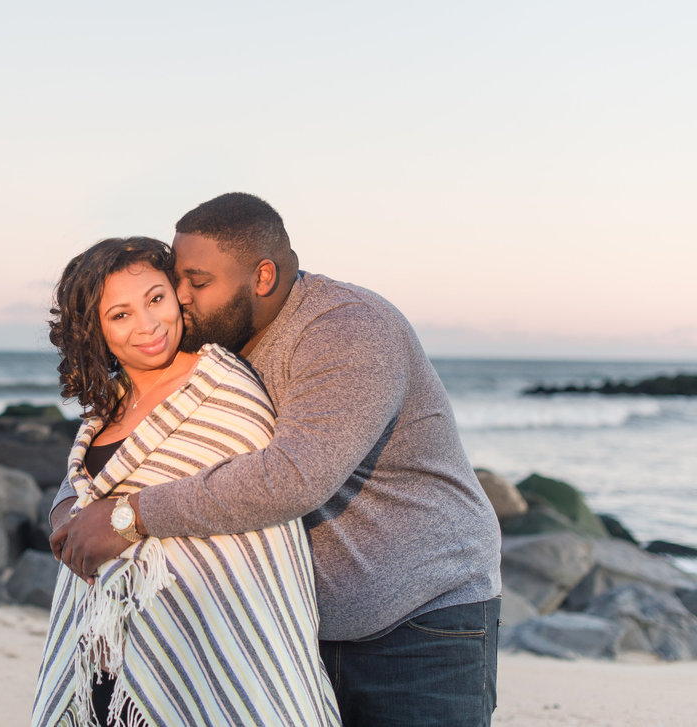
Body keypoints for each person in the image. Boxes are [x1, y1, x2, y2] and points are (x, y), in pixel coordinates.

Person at [50, 194, 503, 726]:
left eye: (196, 281)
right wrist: (68, 509)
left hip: (419, 621)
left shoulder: (346, 329)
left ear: (262, 277)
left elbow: (294, 476)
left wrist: (130, 517)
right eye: (178, 279)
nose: (180, 297)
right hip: (306, 625)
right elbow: (129, 439)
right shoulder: (217, 339)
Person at [31, 237, 339, 727]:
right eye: (121, 315)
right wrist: (64, 512)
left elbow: (253, 515)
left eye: (156, 299)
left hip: (207, 655)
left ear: (177, 295)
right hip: (106, 662)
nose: (148, 325)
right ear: (97, 332)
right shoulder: (108, 407)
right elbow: (86, 491)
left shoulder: (222, 389)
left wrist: (124, 519)